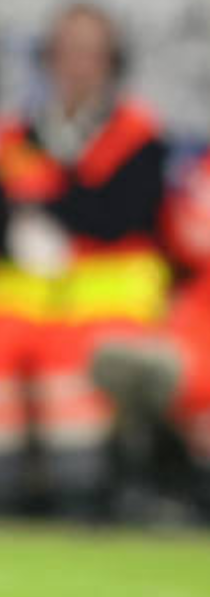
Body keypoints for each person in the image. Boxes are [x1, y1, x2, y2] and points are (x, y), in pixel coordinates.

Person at [0, 3, 169, 517]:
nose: (78, 66)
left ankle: (78, 500)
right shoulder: (14, 136)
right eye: (67, 52)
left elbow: (124, 216)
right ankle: (1, 499)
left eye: (90, 54)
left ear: (111, 62)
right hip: (23, 293)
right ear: (48, 60)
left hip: (106, 297)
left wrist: (49, 200)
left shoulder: (137, 134)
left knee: (69, 361)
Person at [92, 145, 210, 520]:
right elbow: (184, 235)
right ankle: (175, 492)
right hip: (193, 306)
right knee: (160, 374)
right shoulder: (200, 170)